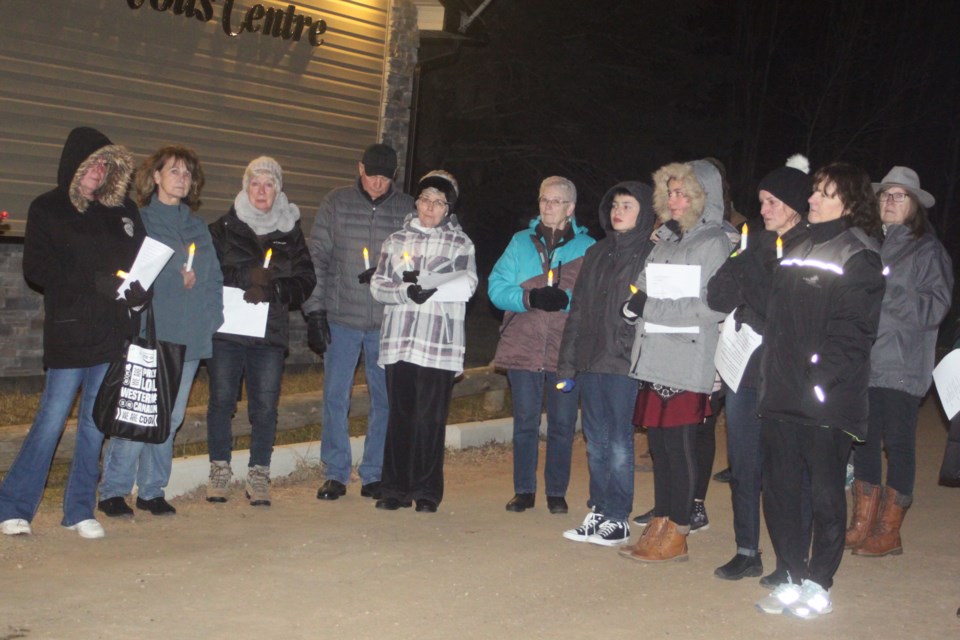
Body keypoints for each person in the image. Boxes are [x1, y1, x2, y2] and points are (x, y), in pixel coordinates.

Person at [0, 126, 148, 539]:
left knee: (94, 424)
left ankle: (79, 509)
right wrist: (94, 280)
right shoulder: (48, 208)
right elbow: (37, 269)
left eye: (106, 165)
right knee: (51, 419)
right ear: (75, 165)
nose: (98, 171)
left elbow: (140, 263)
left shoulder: (122, 212)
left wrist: (139, 291)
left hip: (110, 332)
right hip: (69, 332)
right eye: (92, 163)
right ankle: (13, 506)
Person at [755, 162, 885, 619]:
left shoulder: (859, 254)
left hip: (825, 399)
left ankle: (818, 581)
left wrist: (817, 380)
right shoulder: (797, 246)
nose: (812, 199)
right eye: (814, 191)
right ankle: (789, 574)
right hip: (781, 396)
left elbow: (853, 332)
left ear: (848, 201)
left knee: (827, 494)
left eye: (824, 193)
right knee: (781, 491)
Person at [97, 146, 223, 518]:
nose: (182, 179)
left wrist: (211, 318)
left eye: (187, 174)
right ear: (155, 177)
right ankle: (115, 490)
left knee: (171, 417)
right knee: (138, 410)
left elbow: (214, 276)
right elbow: (130, 273)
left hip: (190, 336)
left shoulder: (198, 226)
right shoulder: (141, 221)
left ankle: (152, 490)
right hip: (152, 332)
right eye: (174, 172)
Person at [618, 159, 732, 561]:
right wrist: (634, 305)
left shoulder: (715, 242)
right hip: (655, 351)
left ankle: (679, 528)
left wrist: (652, 308)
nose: (674, 199)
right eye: (670, 192)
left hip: (688, 355)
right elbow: (647, 287)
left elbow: (712, 306)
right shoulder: (665, 240)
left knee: (682, 445)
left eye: (683, 192)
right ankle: (662, 520)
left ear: (703, 196)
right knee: (661, 445)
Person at [706, 154, 811, 580]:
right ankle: (747, 550)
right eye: (762, 201)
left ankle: (792, 560)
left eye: (772, 202)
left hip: (788, 374)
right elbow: (716, 295)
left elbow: (780, 308)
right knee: (744, 464)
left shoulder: (812, 246)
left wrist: (750, 272)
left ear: (795, 205)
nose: (763, 210)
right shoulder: (753, 243)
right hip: (745, 368)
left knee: (787, 469)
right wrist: (745, 263)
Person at [845, 167, 952, 557]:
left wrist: (884, 295)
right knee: (865, 442)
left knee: (900, 445)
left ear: (915, 206)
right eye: (885, 194)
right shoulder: (868, 244)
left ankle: (889, 529)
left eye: (899, 195)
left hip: (903, 363)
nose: (889, 201)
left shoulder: (928, 250)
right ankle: (863, 521)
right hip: (865, 362)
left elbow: (935, 307)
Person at [304, 144, 413, 502]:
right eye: (371, 175)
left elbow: (416, 262)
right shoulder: (336, 203)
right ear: (359, 168)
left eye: (384, 177)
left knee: (383, 398)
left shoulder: (406, 209)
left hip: (387, 322)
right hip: (342, 317)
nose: (377, 183)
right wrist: (315, 311)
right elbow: (317, 257)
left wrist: (390, 273)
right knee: (336, 395)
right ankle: (335, 471)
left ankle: (374, 472)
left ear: (393, 177)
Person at [205, 156, 315, 506]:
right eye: (255, 183)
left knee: (265, 406)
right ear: (245, 186)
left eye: (269, 184)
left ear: (278, 189)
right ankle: (219, 470)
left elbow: (306, 280)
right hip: (228, 331)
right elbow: (207, 271)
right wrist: (243, 278)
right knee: (222, 401)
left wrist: (276, 290)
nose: (261, 190)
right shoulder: (223, 228)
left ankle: (259, 474)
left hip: (269, 334)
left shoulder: (290, 231)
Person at [369, 170, 477, 512]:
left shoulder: (461, 243)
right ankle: (394, 488)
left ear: (448, 209)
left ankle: (427, 490)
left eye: (439, 202)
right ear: (416, 202)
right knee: (400, 415)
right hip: (402, 339)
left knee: (430, 419)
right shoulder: (396, 240)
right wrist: (404, 291)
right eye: (425, 199)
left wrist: (434, 286)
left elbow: (469, 284)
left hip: (438, 341)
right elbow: (378, 284)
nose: (430, 207)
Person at [556, 181, 656, 546]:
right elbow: (578, 312)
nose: (618, 211)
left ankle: (618, 516)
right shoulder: (597, 253)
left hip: (624, 362)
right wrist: (567, 366)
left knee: (618, 441)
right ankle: (599, 509)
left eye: (627, 205)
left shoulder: (651, 254)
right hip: (590, 360)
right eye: (615, 204)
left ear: (644, 211)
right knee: (595, 440)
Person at [488, 176, 594, 515]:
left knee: (563, 424)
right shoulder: (520, 242)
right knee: (525, 422)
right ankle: (524, 489)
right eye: (544, 200)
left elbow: (595, 300)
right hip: (524, 345)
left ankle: (556, 491)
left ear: (571, 208)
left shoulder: (588, 247)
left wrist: (565, 300)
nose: (548, 206)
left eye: (556, 201)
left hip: (565, 350)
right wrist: (529, 296)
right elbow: (495, 286)